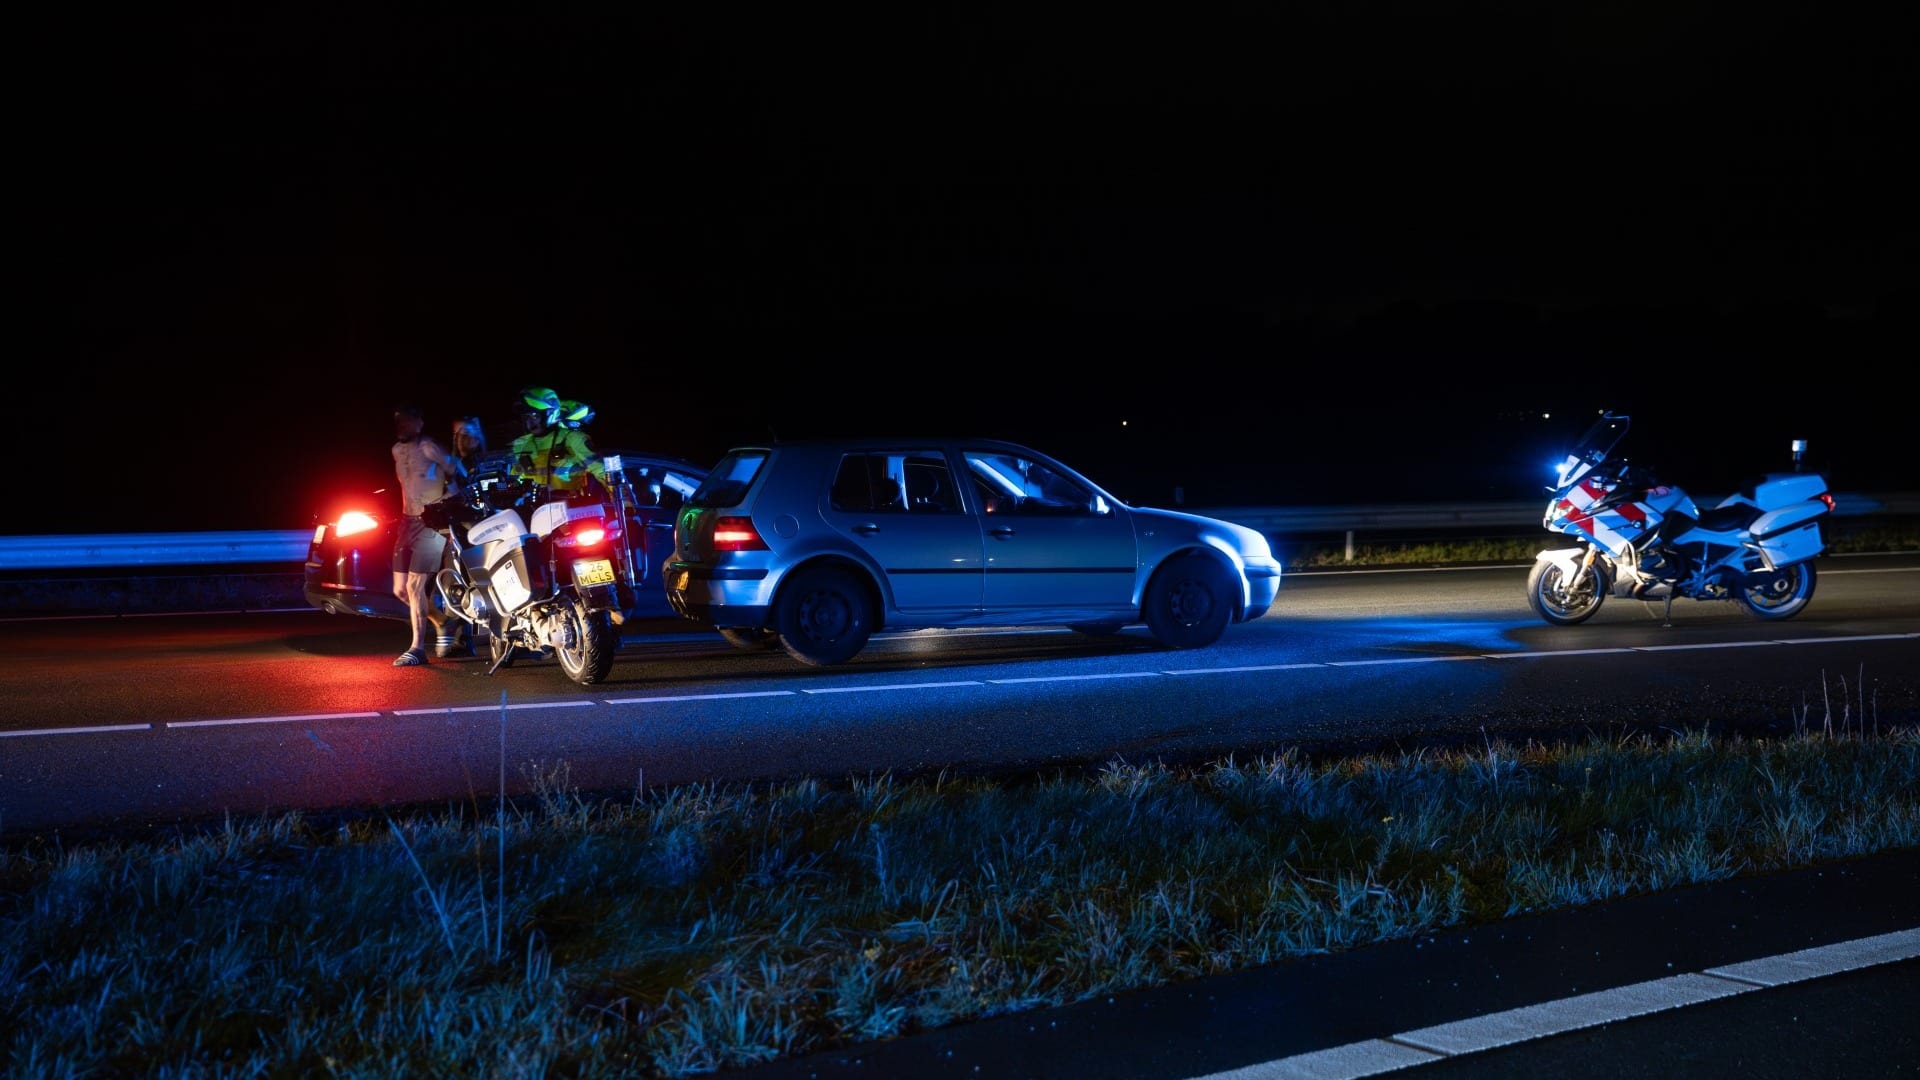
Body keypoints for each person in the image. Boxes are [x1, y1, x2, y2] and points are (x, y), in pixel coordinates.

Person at [389, 405, 467, 667]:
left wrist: (448, 502)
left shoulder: (429, 447)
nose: (402, 427)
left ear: (419, 424)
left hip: (431, 522)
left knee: (414, 586)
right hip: (407, 522)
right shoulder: (397, 451)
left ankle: (417, 648)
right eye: (399, 422)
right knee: (400, 590)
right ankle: (444, 622)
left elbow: (456, 471)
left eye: (408, 422)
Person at [508, 386, 605, 496]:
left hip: (574, 507)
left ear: (549, 413)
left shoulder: (573, 439)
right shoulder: (522, 444)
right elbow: (516, 478)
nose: (529, 423)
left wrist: (626, 506)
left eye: (534, 416)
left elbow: (604, 473)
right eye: (526, 418)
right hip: (535, 510)